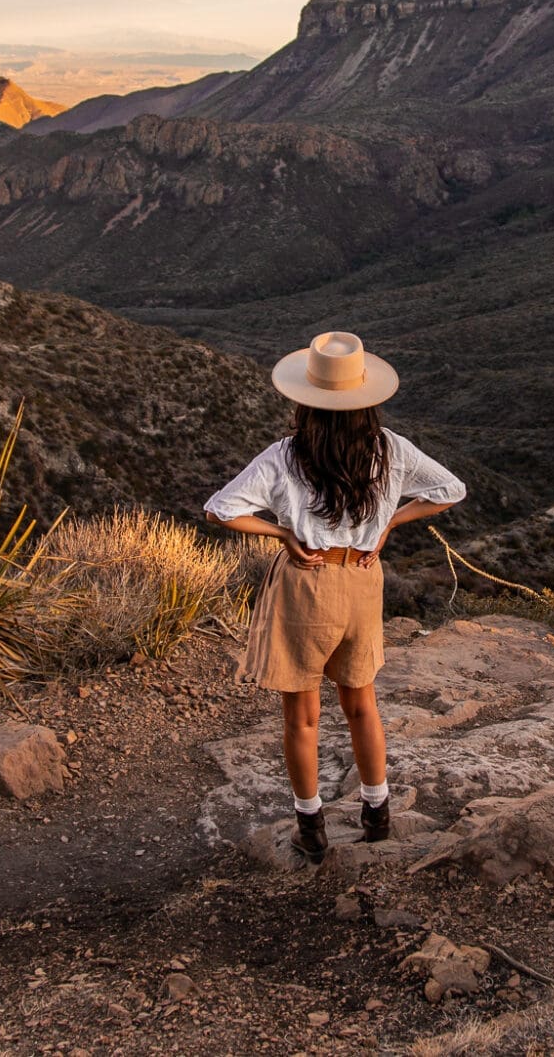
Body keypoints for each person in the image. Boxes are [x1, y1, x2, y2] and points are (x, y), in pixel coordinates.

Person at [203, 331, 466, 864]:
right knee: (362, 705)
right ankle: (377, 813)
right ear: (367, 401)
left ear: (306, 401)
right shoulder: (390, 448)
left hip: (307, 584)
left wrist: (283, 535)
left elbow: (220, 509)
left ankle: (312, 827)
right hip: (364, 584)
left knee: (302, 717)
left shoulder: (285, 456)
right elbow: (450, 490)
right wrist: (390, 522)